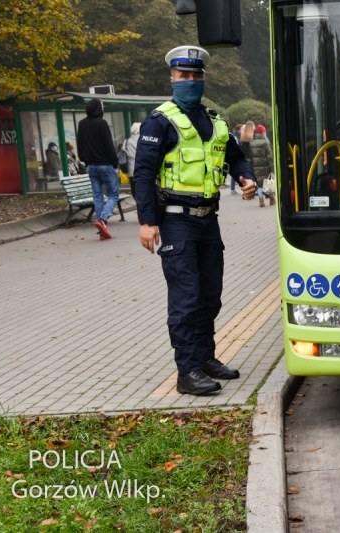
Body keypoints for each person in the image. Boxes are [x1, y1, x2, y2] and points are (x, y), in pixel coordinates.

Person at [133, 45, 258, 396]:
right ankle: (186, 371)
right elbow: (142, 174)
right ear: (172, 79)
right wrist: (146, 221)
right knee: (186, 298)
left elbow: (236, 158)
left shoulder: (215, 121)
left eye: (195, 76)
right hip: (175, 221)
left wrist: (246, 179)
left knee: (210, 296)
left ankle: (205, 359)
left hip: (208, 221)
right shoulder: (159, 121)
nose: (190, 81)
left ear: (203, 79)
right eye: (183, 76)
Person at [77, 98, 119, 240]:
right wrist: (115, 164)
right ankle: (102, 219)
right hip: (105, 165)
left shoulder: (82, 124)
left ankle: (103, 232)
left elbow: (80, 145)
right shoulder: (102, 124)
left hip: (91, 166)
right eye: (102, 105)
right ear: (98, 108)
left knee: (97, 196)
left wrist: (86, 161)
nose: (103, 107)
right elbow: (109, 146)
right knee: (113, 194)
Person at [248, 124, 276, 207]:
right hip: (266, 167)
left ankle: (261, 200)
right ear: (263, 132)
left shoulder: (251, 142)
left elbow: (250, 156)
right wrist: (273, 169)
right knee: (269, 183)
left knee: (259, 185)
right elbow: (270, 156)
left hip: (256, 167)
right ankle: (272, 199)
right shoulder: (266, 142)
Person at [125, 123, 141, 198]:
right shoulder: (142, 140)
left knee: (134, 191)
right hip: (141, 168)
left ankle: (138, 206)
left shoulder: (127, 141)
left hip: (131, 170)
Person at [229, 124, 245, 195]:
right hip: (235, 157)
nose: (242, 130)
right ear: (239, 129)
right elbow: (236, 145)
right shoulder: (235, 136)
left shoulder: (236, 135)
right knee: (235, 173)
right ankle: (232, 189)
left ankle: (233, 188)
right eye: (242, 129)